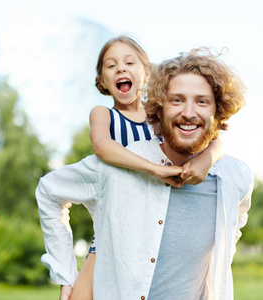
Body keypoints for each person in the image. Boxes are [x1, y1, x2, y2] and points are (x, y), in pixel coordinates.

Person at [37, 48, 253, 300]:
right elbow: (49, 191)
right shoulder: (116, 168)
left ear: (218, 111)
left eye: (202, 101)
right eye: (177, 100)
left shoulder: (235, 178)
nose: (189, 112)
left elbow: (233, 227)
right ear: (159, 109)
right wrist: (65, 275)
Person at [70, 36, 224, 300]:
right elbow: (102, 147)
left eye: (130, 62)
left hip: (152, 226)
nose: (121, 68)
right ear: (101, 80)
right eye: (111, 65)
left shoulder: (161, 118)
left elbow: (213, 137)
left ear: (148, 73)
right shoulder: (104, 115)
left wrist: (208, 157)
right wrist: (154, 169)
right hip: (113, 232)